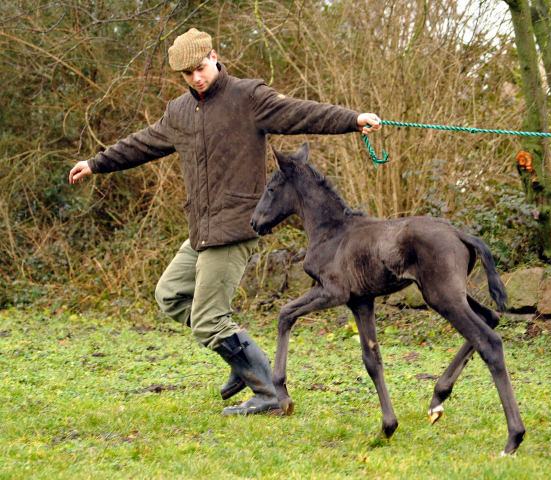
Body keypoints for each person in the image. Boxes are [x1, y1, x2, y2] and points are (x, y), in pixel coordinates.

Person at [69, 28, 381, 416]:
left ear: (214, 56)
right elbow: (142, 143)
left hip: (236, 225)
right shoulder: (179, 112)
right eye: (187, 74)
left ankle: (269, 393)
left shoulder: (248, 97)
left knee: (207, 319)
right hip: (201, 228)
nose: (196, 78)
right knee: (170, 295)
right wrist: (96, 163)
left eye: (200, 68)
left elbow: (300, 112)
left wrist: (352, 120)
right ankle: (239, 356)